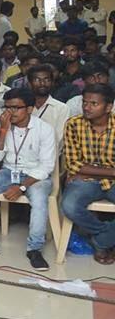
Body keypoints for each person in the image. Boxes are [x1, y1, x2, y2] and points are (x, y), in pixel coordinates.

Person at [0, 88, 56, 270]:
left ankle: (35, 249)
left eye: (16, 108)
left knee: (39, 199)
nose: (10, 112)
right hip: (9, 172)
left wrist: (21, 187)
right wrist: (3, 131)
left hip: (35, 176)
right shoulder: (2, 125)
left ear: (30, 109)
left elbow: (46, 167)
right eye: (7, 108)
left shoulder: (45, 129)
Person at [61, 84, 115, 264]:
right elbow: (73, 163)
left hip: (103, 180)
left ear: (108, 107)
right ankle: (106, 236)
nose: (86, 107)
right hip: (85, 181)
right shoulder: (74, 124)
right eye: (85, 102)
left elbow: (81, 167)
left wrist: (88, 169)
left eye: (94, 103)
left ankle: (101, 242)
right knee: (69, 205)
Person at [27, 64, 71, 144]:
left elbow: (58, 138)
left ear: (52, 83)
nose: (42, 83)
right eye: (37, 80)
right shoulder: (22, 107)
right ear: (29, 83)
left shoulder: (62, 108)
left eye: (47, 80)